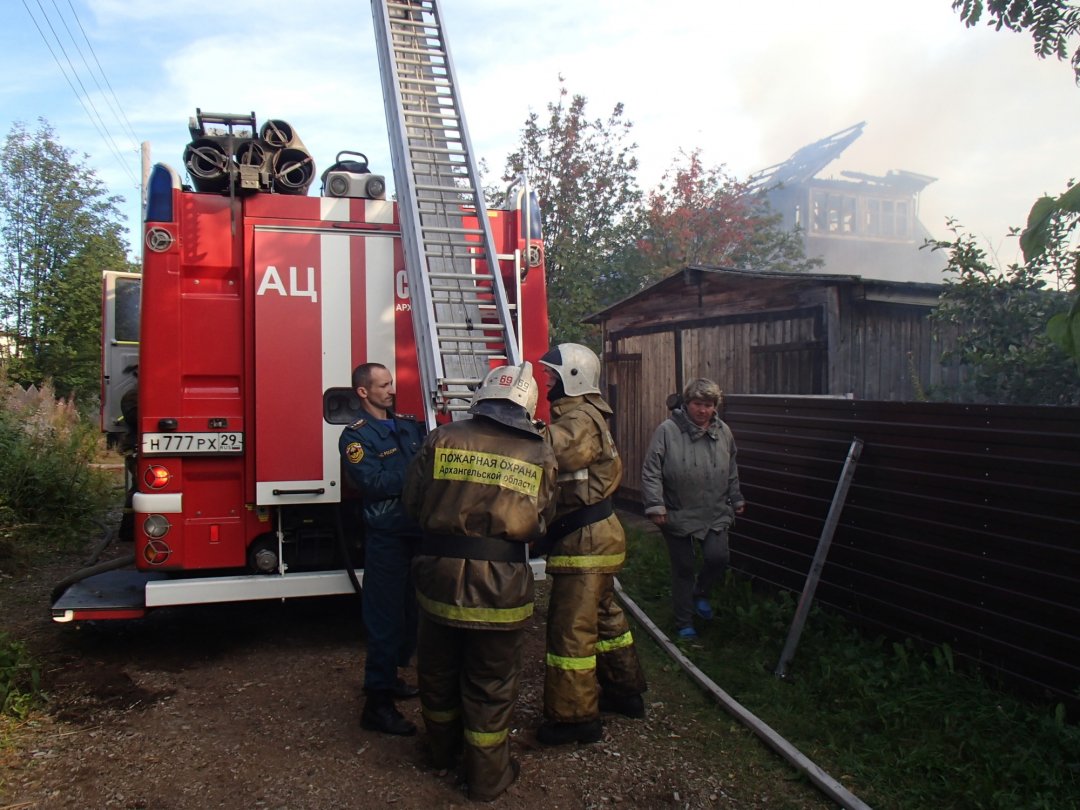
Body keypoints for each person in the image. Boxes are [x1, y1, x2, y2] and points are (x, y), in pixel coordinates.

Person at [403, 362, 557, 802]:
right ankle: (488, 777)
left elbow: (412, 503)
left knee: (436, 673)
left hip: (439, 582)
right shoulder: (539, 451)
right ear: (527, 403)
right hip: (502, 588)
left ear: (482, 395)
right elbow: (544, 521)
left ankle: (440, 753)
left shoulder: (443, 437)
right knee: (490, 684)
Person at [534, 343, 648, 746]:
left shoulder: (579, 420)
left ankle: (575, 718)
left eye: (551, 374)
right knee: (604, 617)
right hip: (595, 535)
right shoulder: (584, 415)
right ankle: (624, 692)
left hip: (586, 539)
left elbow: (547, 453)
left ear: (573, 377)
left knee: (571, 630)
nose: (545, 380)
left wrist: (506, 429)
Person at [339, 362, 424, 736]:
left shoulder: (408, 424)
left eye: (392, 383)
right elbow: (372, 481)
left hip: (417, 532)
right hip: (388, 537)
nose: (392, 390)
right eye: (384, 385)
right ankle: (377, 703)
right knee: (384, 618)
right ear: (363, 392)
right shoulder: (355, 437)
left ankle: (390, 678)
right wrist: (418, 472)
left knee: (412, 614)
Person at [640, 378, 746, 640]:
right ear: (687, 404)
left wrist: (736, 497)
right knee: (684, 567)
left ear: (715, 406)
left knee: (718, 557)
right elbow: (651, 470)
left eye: (708, 405)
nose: (703, 410)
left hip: (714, 511)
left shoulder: (724, 432)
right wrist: (655, 505)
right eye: (698, 404)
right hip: (677, 511)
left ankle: (701, 593)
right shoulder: (667, 431)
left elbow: (731, 469)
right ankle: (684, 621)